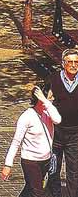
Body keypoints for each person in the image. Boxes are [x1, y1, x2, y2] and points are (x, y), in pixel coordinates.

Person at [2, 84, 61, 197]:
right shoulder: (26, 117)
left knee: (30, 189)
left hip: (45, 161)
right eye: (50, 96)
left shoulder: (49, 112)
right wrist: (7, 165)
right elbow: (16, 143)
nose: (53, 99)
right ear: (40, 98)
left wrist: (46, 101)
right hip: (30, 161)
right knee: (37, 192)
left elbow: (57, 119)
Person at [47, 48, 78, 197]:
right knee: (53, 168)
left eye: (76, 62)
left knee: (74, 170)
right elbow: (46, 102)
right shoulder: (53, 79)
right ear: (63, 64)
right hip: (57, 133)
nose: (73, 65)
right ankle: (55, 194)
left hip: (75, 133)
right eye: (70, 62)